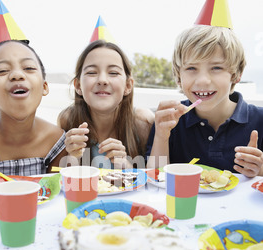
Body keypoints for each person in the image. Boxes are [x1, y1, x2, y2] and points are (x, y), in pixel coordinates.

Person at [145, 25, 263, 177]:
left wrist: (259, 170)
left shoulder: (259, 120)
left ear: (236, 74)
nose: (203, 81)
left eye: (216, 68)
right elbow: (154, 178)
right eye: (192, 68)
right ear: (179, 77)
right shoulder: (170, 121)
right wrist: (161, 136)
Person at [0, 40, 66, 184]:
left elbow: (56, 196)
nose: (17, 75)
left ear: (44, 87)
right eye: (2, 70)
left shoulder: (58, 141)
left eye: (29, 68)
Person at [57, 40, 154, 169]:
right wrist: (72, 156)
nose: (102, 80)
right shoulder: (67, 119)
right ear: (78, 85)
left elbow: (152, 184)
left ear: (128, 85)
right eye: (92, 72)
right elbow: (65, 181)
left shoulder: (142, 121)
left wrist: (125, 164)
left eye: (113, 73)